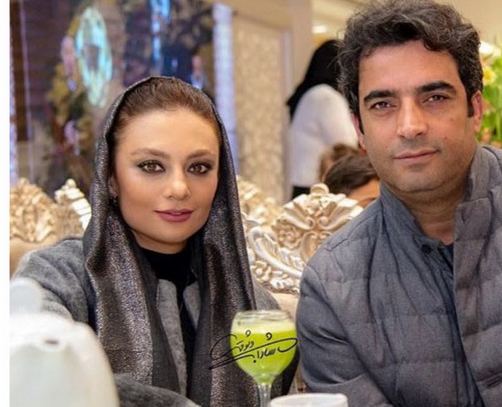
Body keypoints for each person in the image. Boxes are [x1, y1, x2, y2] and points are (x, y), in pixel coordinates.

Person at [296, 0, 502, 406]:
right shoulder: (332, 286)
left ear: (476, 108)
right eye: (382, 104)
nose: (410, 125)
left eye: (434, 97)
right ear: (359, 129)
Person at [13, 77, 296, 406]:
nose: (179, 188)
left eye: (199, 167)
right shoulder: (57, 277)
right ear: (111, 177)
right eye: (151, 166)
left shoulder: (251, 306)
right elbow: (42, 373)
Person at [287, 40, 359, 199]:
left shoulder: (311, 94)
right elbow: (344, 143)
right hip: (319, 187)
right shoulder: (327, 97)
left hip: (304, 183)